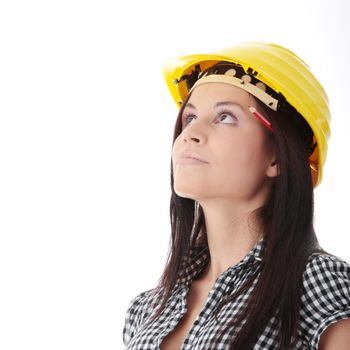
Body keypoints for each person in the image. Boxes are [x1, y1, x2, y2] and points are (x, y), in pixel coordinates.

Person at [122, 42, 350, 349]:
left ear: (277, 157)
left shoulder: (317, 285)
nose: (190, 133)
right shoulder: (146, 310)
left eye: (225, 117)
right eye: (189, 118)